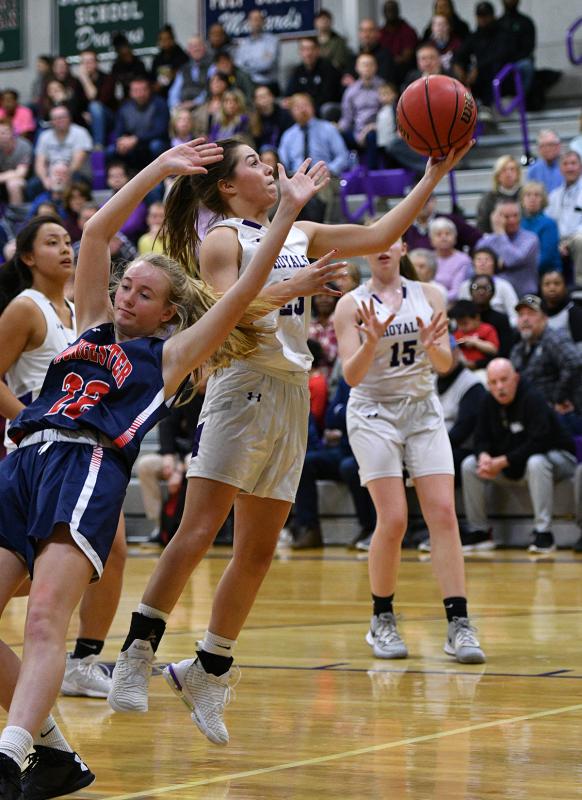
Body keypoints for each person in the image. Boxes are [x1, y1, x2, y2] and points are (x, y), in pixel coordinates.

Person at [108, 137, 473, 743]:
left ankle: (208, 668)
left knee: (256, 551)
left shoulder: (298, 230)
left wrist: (433, 176)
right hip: (241, 386)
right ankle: (136, 653)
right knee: (197, 532)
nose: (266, 166)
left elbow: (381, 233)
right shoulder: (222, 239)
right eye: (251, 162)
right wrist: (292, 260)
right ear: (227, 187)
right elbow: (233, 310)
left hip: (291, 395)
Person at [0, 137, 329, 799]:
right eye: (125, 285)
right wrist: (158, 169)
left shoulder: (172, 354)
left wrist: (288, 212)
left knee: (42, 624)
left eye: (143, 293)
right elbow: (96, 232)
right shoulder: (90, 324)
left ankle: (6, 759)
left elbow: (242, 296)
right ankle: (55, 754)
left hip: (85, 467)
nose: (125, 297)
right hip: (23, 462)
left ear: (167, 313)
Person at [334, 228, 485, 665]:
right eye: (374, 241)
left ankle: (459, 624)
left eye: (392, 240)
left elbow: (445, 363)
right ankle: (381, 618)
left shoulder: (431, 294)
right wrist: (372, 340)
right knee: (395, 518)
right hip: (373, 411)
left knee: (442, 512)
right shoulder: (351, 304)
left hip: (421, 408)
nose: (383, 247)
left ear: (402, 248)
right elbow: (352, 376)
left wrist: (434, 345)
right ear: (365, 252)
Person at [0, 213, 127, 701]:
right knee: (33, 570)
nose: (65, 248)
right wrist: (28, 418)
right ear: (28, 257)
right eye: (51, 242)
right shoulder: (26, 308)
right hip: (35, 451)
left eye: (68, 240)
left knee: (110, 550)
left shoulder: (83, 309)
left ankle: (84, 659)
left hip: (80, 450)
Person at [461, 358, 576, 554]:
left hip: (559, 460)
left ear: (515, 378)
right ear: (488, 384)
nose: (500, 387)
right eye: (494, 382)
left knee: (536, 462)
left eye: (504, 380)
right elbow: (480, 438)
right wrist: (484, 456)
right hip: (514, 465)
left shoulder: (533, 398)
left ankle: (544, 533)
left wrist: (503, 461)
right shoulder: (488, 402)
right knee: (470, 465)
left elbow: (540, 442)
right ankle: (479, 531)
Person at [291, 376, 377, 550]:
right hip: (345, 449)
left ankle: (369, 528)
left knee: (350, 467)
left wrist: (345, 411)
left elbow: (373, 416)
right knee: (306, 463)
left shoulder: (376, 379)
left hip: (370, 451)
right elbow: (331, 417)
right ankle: (310, 529)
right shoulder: (347, 379)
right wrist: (353, 412)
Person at [510, 294, 582, 434]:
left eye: (531, 314)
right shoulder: (518, 349)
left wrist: (558, 399)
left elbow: (575, 363)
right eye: (521, 315)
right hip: (531, 414)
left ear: (544, 318)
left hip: (561, 415)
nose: (525, 319)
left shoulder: (554, 338)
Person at [278, 93, 349, 223]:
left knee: (321, 179)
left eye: (305, 105)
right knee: (276, 186)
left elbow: (343, 156)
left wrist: (329, 169)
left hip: (324, 175)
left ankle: (326, 228)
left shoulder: (328, 129)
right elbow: (282, 162)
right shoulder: (288, 135)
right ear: (292, 112)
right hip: (296, 177)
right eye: (297, 107)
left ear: (312, 107)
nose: (302, 110)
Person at [475, 199, 540, 296]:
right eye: (507, 216)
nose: (512, 220)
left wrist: (500, 233)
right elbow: (474, 270)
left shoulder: (530, 239)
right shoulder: (485, 242)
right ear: (496, 218)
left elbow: (512, 260)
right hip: (494, 297)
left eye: (515, 215)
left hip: (524, 296)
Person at [108, 77, 170, 172]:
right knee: (111, 150)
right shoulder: (125, 107)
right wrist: (121, 141)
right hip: (131, 144)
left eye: (143, 90)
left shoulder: (159, 104)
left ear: (149, 90)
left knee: (156, 145)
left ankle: (160, 176)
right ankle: (120, 181)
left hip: (150, 142)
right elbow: (118, 130)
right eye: (136, 90)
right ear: (130, 92)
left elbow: (160, 131)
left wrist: (136, 139)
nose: (140, 94)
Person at [338, 54, 383, 169]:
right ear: (357, 68)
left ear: (375, 67)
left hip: (376, 129)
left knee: (371, 136)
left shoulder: (383, 87)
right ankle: (342, 173)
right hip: (356, 131)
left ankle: (371, 173)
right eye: (364, 65)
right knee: (336, 135)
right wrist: (335, 129)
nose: (367, 68)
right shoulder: (351, 91)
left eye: (370, 64)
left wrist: (368, 129)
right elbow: (347, 118)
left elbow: (387, 115)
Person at [34, 105, 93, 191]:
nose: (60, 121)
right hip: (52, 174)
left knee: (77, 180)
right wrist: (45, 179)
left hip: (75, 173)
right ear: (51, 121)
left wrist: (63, 176)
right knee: (33, 186)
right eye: (57, 118)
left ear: (69, 118)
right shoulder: (44, 136)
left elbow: (78, 162)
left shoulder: (80, 133)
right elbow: (39, 163)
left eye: (63, 117)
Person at [457, 246, 519, 325]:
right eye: (479, 259)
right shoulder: (465, 286)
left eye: (487, 259)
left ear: (494, 263)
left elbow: (515, 314)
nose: (483, 263)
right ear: (473, 263)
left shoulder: (504, 286)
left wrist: (505, 325)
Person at [546, 151, 582, 285]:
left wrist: (569, 241)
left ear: (581, 167)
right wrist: (558, 242)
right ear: (561, 169)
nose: (570, 168)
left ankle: (580, 285)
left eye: (573, 163)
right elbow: (549, 222)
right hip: (558, 240)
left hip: (577, 238)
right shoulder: (554, 195)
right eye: (566, 164)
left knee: (580, 240)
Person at [284, 38, 343, 118]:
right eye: (304, 49)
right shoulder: (297, 71)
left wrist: (306, 104)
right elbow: (289, 94)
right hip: (303, 107)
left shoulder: (328, 68)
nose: (308, 53)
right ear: (300, 52)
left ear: (317, 51)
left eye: (311, 49)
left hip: (322, 108)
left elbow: (328, 96)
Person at [403, 193, 481, 253]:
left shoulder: (451, 220)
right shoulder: (403, 227)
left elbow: (477, 239)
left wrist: (471, 259)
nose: (422, 205)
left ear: (434, 201)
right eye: (417, 201)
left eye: (426, 200)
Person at [75, 48, 117, 147]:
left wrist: (85, 79)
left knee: (95, 106)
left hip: (108, 117)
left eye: (90, 61)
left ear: (97, 63)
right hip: (86, 118)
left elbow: (97, 99)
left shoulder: (108, 78)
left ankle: (98, 145)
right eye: (84, 62)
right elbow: (75, 104)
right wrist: (82, 114)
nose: (87, 64)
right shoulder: (77, 82)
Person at [467, 274, 515, 357]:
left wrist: (476, 364)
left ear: (493, 293)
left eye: (486, 288)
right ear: (470, 292)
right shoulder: (463, 317)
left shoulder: (501, 319)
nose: (481, 292)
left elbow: (504, 352)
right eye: (476, 287)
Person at [235, 9, 280, 95]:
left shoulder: (272, 41)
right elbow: (238, 65)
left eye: (258, 19)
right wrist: (259, 61)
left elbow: (267, 65)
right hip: (248, 84)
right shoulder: (244, 43)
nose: (256, 22)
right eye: (253, 19)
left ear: (264, 22)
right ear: (248, 22)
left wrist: (248, 64)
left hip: (268, 85)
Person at [520, 181, 561, 274]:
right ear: (522, 200)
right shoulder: (518, 223)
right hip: (524, 271)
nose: (532, 198)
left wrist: (523, 270)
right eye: (528, 195)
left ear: (543, 200)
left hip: (547, 272)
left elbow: (546, 257)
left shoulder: (549, 224)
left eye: (537, 195)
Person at [429, 217, 472, 303]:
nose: (443, 237)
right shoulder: (427, 258)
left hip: (453, 303)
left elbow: (457, 291)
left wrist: (436, 300)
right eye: (438, 234)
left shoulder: (463, 260)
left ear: (455, 238)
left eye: (448, 234)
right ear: (431, 240)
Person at [498, 0, 536, 96]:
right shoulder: (497, 24)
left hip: (519, 62)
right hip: (501, 63)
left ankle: (521, 100)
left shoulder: (526, 22)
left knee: (526, 65)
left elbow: (529, 48)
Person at [476, 155, 522, 234]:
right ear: (497, 176)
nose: (508, 174)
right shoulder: (488, 198)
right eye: (504, 170)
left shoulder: (525, 194)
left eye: (512, 169)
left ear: (518, 174)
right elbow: (482, 226)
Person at [450, 299, 499, 369]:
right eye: (458, 324)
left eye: (464, 323)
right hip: (463, 367)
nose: (461, 327)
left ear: (477, 318)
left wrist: (476, 342)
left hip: (483, 367)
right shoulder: (458, 333)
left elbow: (494, 349)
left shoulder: (487, 329)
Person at [168, 36, 212, 112]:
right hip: (183, 106)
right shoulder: (183, 69)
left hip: (204, 105)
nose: (196, 49)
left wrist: (195, 102)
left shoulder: (212, 66)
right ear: (188, 51)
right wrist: (176, 105)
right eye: (192, 46)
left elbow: (211, 89)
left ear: (204, 48)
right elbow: (174, 91)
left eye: (199, 45)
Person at [379, 0, 419, 84]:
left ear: (398, 11)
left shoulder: (408, 31)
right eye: (387, 10)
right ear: (383, 13)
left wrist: (387, 61)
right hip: (384, 72)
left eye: (393, 10)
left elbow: (406, 56)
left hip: (404, 72)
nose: (390, 13)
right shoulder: (381, 32)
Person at [540, 270, 582, 347]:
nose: (552, 288)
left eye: (557, 283)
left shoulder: (574, 313)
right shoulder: (538, 313)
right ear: (541, 288)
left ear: (565, 287)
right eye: (547, 284)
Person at [149, 25, 189, 98]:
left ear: (172, 40)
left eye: (167, 39)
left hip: (180, 93)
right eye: (161, 40)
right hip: (161, 95)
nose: (164, 42)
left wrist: (167, 77)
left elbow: (180, 72)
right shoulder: (157, 59)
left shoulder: (182, 55)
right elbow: (152, 78)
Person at [0, 120, 32, 206]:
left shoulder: (24, 145)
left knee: (13, 183)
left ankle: (15, 216)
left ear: (12, 132)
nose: (1, 136)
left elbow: (21, 173)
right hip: (3, 180)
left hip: (24, 181)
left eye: (4, 132)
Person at [252, 84, 293, 151]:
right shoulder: (253, 120)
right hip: (261, 155)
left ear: (271, 97)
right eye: (259, 97)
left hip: (282, 151)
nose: (262, 100)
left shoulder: (285, 115)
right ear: (255, 101)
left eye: (264, 96)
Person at [314, 9, 353, 73]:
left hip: (332, 73)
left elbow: (338, 62)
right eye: (320, 20)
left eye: (326, 20)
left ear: (331, 21)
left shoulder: (338, 41)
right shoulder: (312, 41)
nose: (323, 23)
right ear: (315, 22)